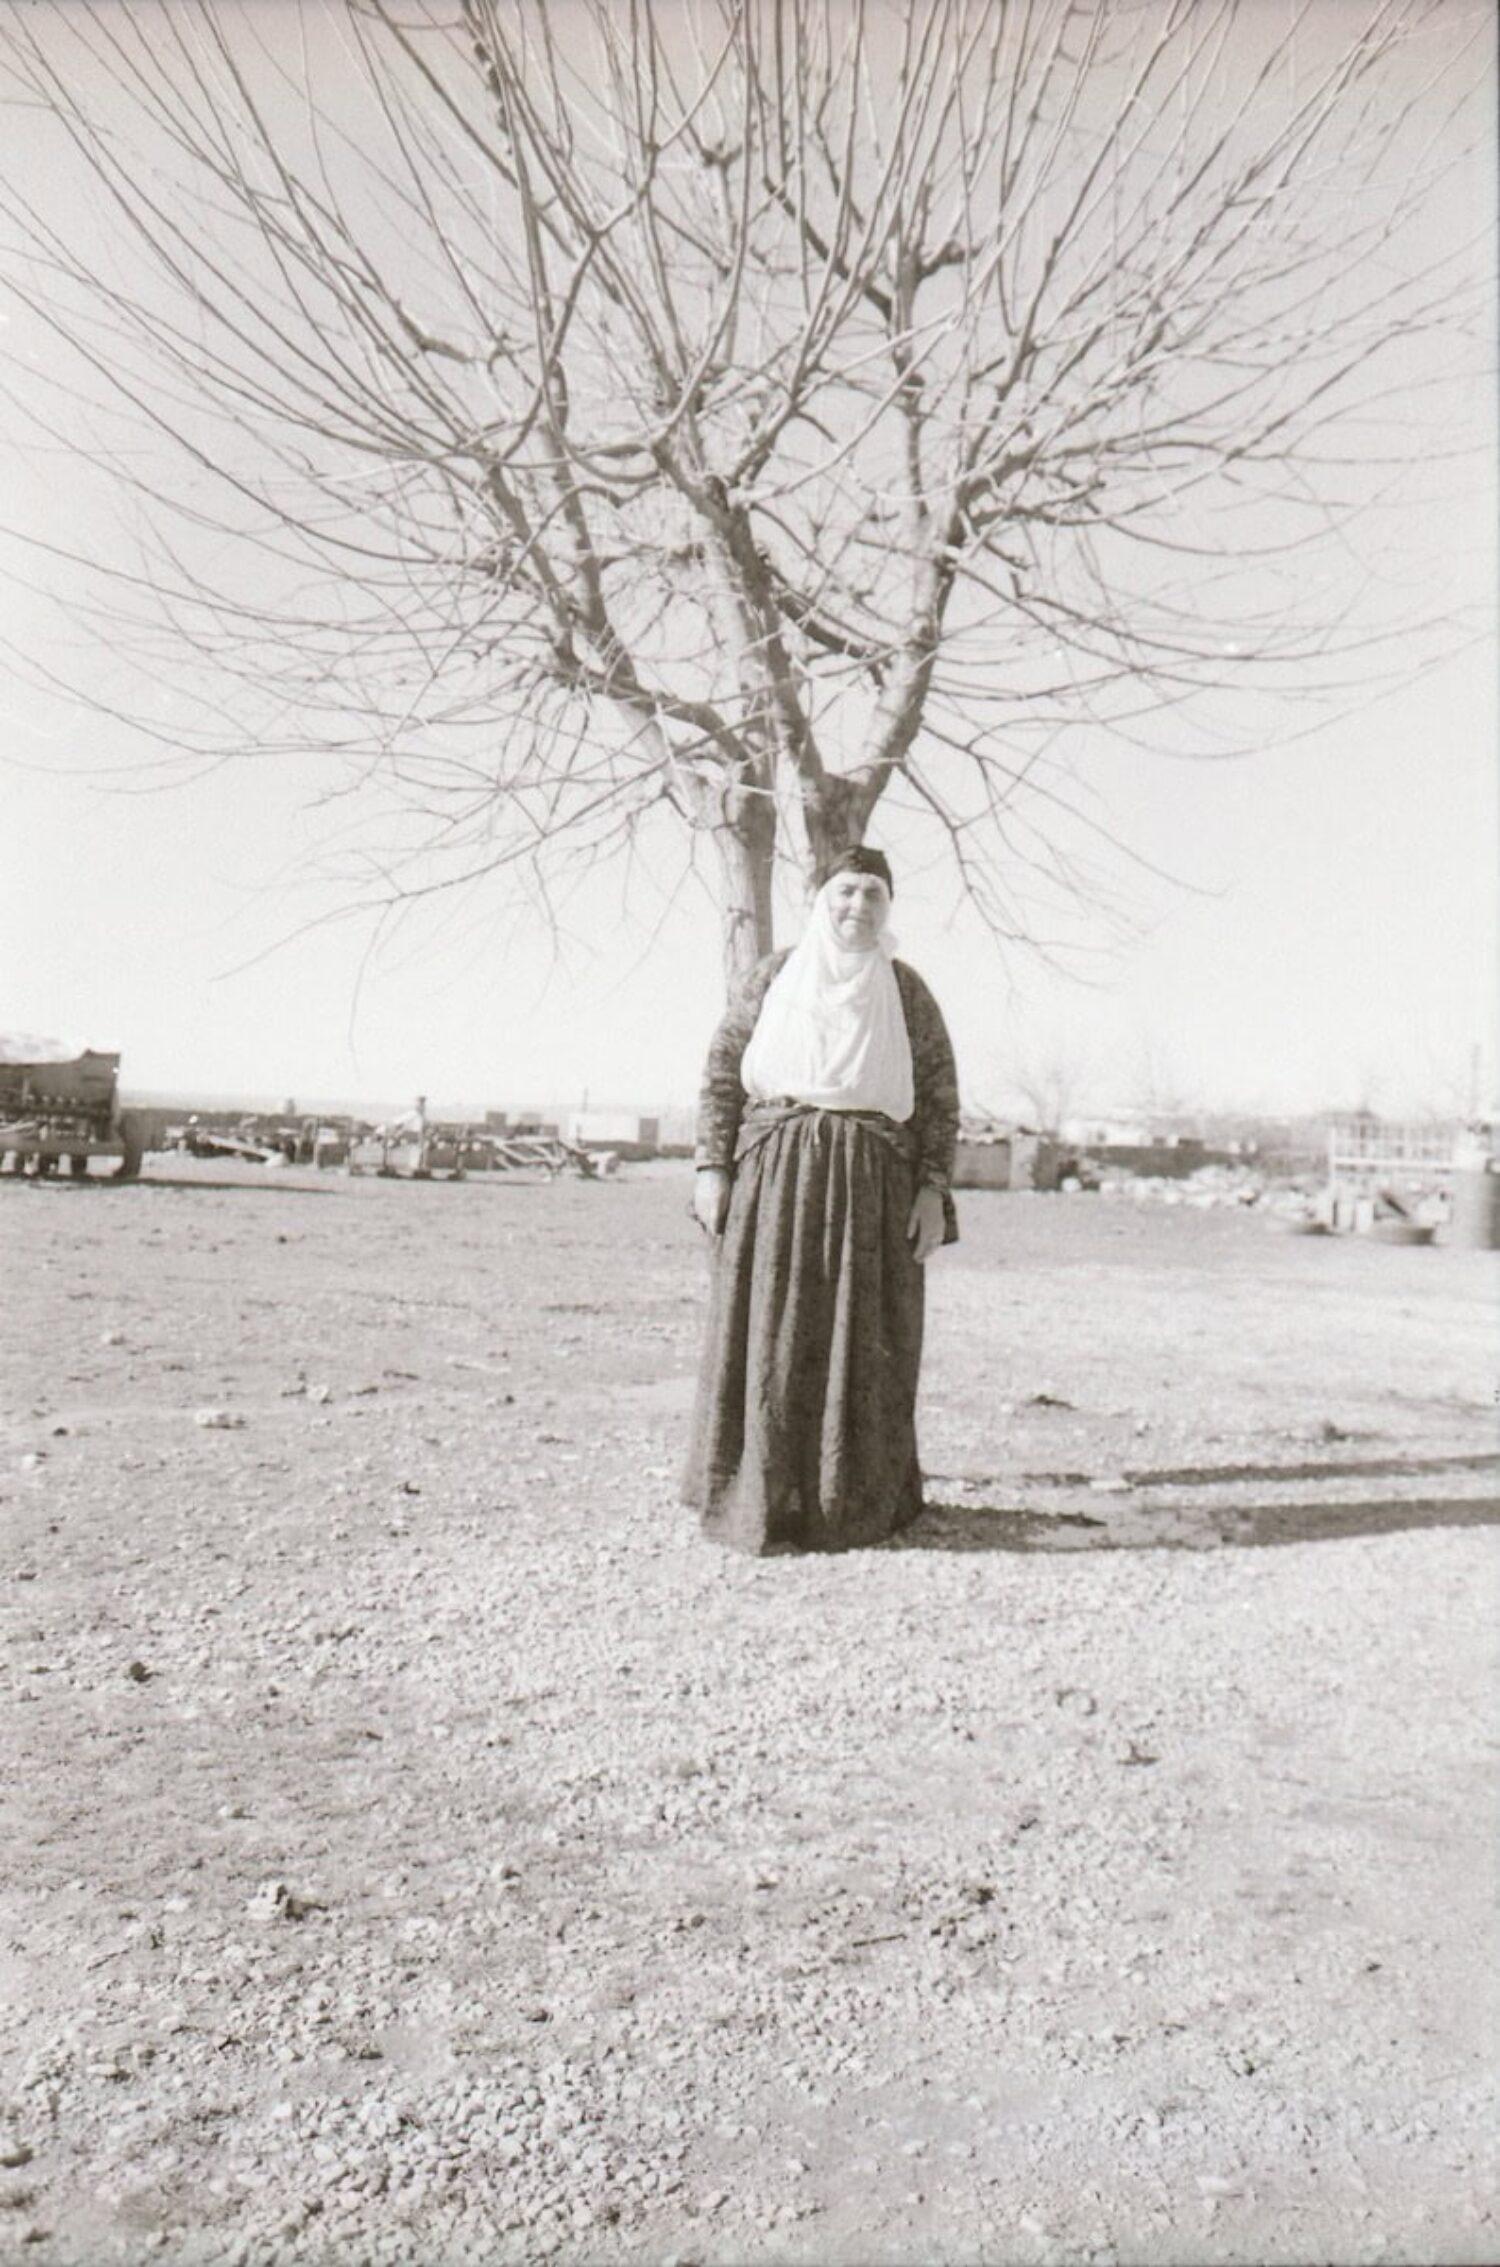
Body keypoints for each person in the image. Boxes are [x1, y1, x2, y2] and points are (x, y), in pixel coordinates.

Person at [682, 846, 959, 1555]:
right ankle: (759, 1493)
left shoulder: (906, 993)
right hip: (775, 1180)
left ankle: (847, 1499)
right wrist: (711, 1167)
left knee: (860, 1338)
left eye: (873, 895)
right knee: (772, 1332)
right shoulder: (773, 978)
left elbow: (938, 1097)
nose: (858, 906)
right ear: (821, 899)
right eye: (846, 891)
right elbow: (722, 1073)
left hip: (874, 1185)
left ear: (887, 908)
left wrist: (933, 1187)